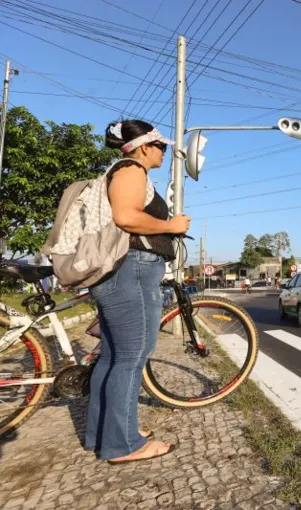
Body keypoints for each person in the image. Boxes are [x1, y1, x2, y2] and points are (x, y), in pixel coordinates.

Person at [85, 119, 190, 464]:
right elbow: (126, 217)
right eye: (160, 146)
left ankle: (106, 432)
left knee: (115, 356)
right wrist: (170, 225)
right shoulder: (131, 170)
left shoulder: (126, 171)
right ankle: (124, 444)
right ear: (145, 146)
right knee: (132, 356)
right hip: (130, 268)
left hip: (128, 269)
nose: (163, 152)